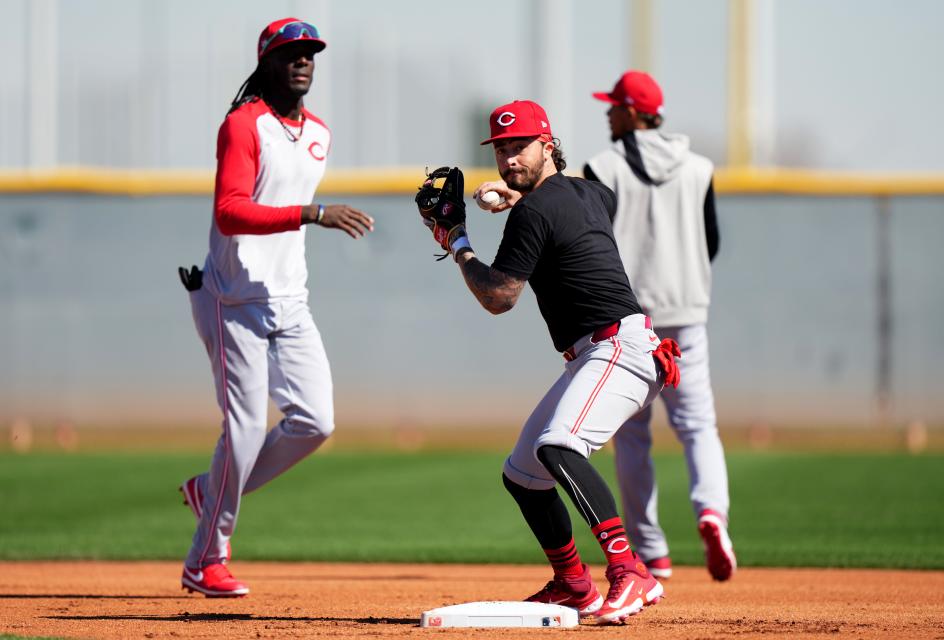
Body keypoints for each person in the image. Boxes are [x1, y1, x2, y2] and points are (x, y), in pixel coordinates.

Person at [424, 99, 683, 625]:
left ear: (548, 144)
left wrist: (460, 244)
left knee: (558, 447)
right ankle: (572, 583)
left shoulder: (533, 211)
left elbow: (500, 297)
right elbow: (591, 201)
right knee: (522, 474)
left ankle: (630, 570)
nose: (509, 156)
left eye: (520, 145)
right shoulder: (587, 191)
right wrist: (518, 193)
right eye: (501, 149)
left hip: (618, 348)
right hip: (601, 351)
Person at [177, 18, 374, 597]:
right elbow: (230, 212)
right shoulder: (243, 125)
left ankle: (209, 494)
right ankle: (205, 558)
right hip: (233, 299)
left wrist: (305, 216)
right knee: (242, 429)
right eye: (291, 52)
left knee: (317, 422)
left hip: (290, 300)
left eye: (310, 52)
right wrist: (312, 214)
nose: (303, 60)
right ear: (266, 62)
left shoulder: (318, 133)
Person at [584, 70, 736, 582]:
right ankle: (711, 513)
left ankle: (651, 549)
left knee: (632, 436)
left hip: (630, 322)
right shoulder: (700, 167)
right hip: (688, 315)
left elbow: (591, 241)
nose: (607, 113)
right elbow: (710, 241)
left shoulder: (602, 166)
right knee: (697, 427)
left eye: (613, 105)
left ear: (634, 112)